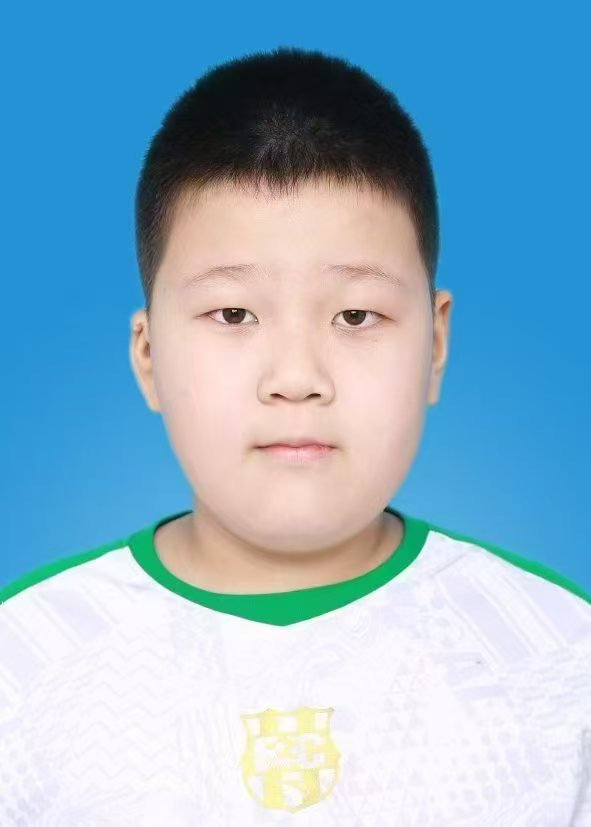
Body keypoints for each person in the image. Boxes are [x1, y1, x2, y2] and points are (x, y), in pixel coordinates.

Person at [1, 46, 589, 825]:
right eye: (233, 314)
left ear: (435, 345)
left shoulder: (558, 660)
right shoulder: (23, 661)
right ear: (147, 355)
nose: (296, 377)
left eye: (355, 315)